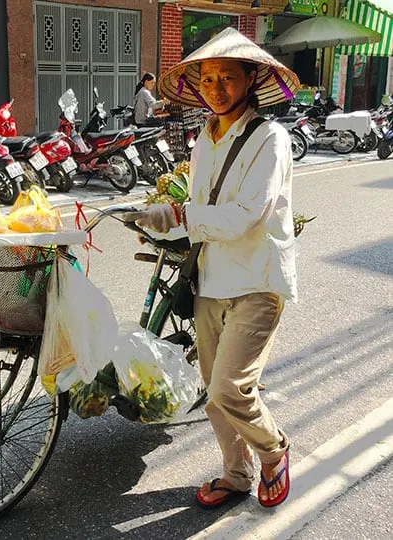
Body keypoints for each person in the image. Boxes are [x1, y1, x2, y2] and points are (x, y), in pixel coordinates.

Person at [125, 27, 300, 508]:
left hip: (258, 280)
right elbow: (202, 209)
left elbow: (249, 213)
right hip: (211, 279)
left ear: (250, 80)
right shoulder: (205, 138)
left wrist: (182, 215)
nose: (215, 86)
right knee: (213, 391)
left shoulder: (271, 138)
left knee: (229, 388)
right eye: (206, 78)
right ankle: (236, 474)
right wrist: (160, 224)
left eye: (227, 77)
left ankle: (274, 452)